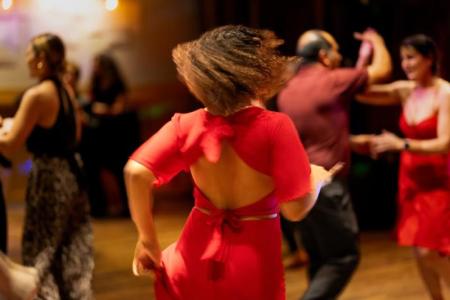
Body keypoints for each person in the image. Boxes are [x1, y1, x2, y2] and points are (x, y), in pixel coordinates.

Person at [124, 25, 339, 299]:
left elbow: (135, 173)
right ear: (255, 69)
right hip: (251, 263)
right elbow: (294, 210)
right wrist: (317, 179)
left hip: (194, 255)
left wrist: (148, 240)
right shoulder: (275, 127)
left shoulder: (185, 124)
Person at [277, 29, 392, 299]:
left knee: (320, 257)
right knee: (343, 256)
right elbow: (382, 71)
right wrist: (378, 41)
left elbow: (314, 134)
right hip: (327, 185)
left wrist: (349, 141)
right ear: (324, 56)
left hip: (297, 186)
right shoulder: (332, 81)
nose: (340, 56)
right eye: (336, 50)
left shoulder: (289, 89)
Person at [355, 34, 450, 300]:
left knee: (430, 250)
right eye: (402, 59)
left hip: (438, 183)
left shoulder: (445, 93)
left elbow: (445, 144)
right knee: (418, 247)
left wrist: (402, 145)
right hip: (411, 182)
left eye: (411, 57)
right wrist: (367, 55)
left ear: (429, 58)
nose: (405, 64)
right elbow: (359, 90)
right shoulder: (404, 90)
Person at [0, 33, 93, 299]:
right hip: (72, 173)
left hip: (49, 177)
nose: (26, 60)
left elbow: (9, 145)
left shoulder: (37, 95)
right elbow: (75, 136)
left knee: (42, 247)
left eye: (29, 54)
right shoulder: (65, 89)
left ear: (41, 60)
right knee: (67, 247)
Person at [81, 53, 140, 217]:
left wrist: (104, 109)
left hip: (117, 133)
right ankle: (100, 208)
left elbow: (119, 108)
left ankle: (128, 209)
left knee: (120, 170)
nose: (94, 68)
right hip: (99, 134)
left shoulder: (117, 83)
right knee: (96, 170)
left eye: (97, 64)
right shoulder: (95, 83)